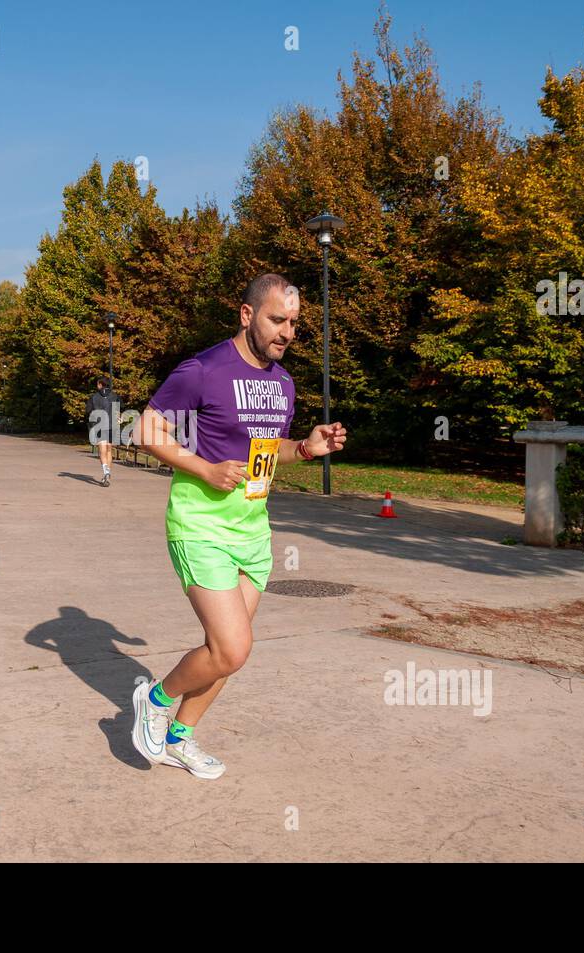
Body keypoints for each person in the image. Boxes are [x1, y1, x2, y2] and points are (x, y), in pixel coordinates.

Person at [131, 274, 347, 779]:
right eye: (277, 319)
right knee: (233, 647)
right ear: (247, 315)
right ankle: (153, 700)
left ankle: (179, 738)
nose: (288, 332)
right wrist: (204, 469)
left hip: (253, 530)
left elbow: (267, 455)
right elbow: (145, 429)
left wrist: (306, 447)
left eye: (294, 323)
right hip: (200, 526)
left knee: (226, 654)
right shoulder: (203, 369)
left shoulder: (283, 383)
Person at [85, 377, 119, 486]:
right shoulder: (114, 396)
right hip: (112, 426)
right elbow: (117, 411)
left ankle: (106, 472)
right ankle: (107, 474)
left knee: (102, 451)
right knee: (109, 450)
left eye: (97, 384)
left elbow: (88, 411)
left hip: (100, 426)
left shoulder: (94, 397)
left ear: (100, 384)